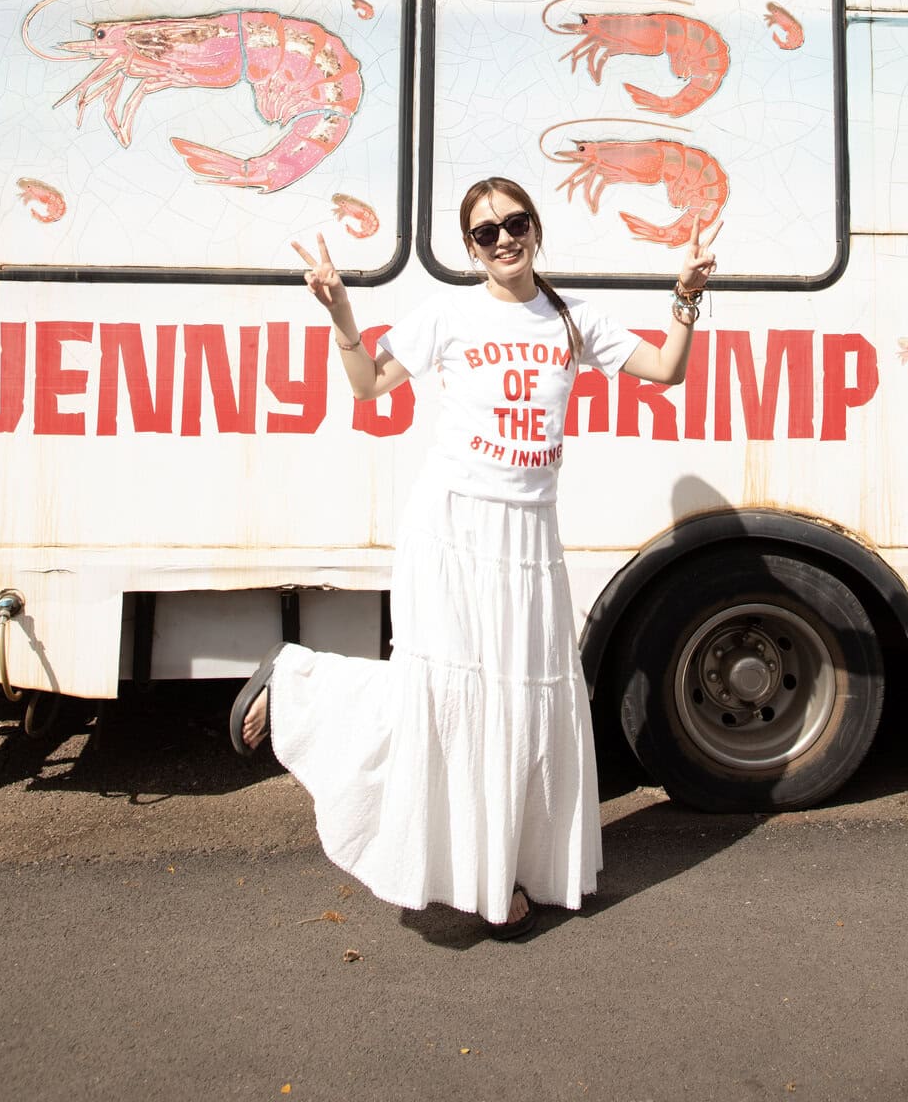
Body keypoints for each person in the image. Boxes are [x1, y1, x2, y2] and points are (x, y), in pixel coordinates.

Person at [229, 175, 719, 939]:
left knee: (521, 704)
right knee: (447, 695)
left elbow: (667, 371)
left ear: (535, 228)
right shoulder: (450, 315)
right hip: (452, 529)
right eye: (485, 232)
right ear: (469, 247)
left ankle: (503, 866)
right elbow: (369, 388)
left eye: (514, 223)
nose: (502, 240)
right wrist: (341, 315)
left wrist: (684, 298)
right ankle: (298, 684)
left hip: (528, 539)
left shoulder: (570, 319)